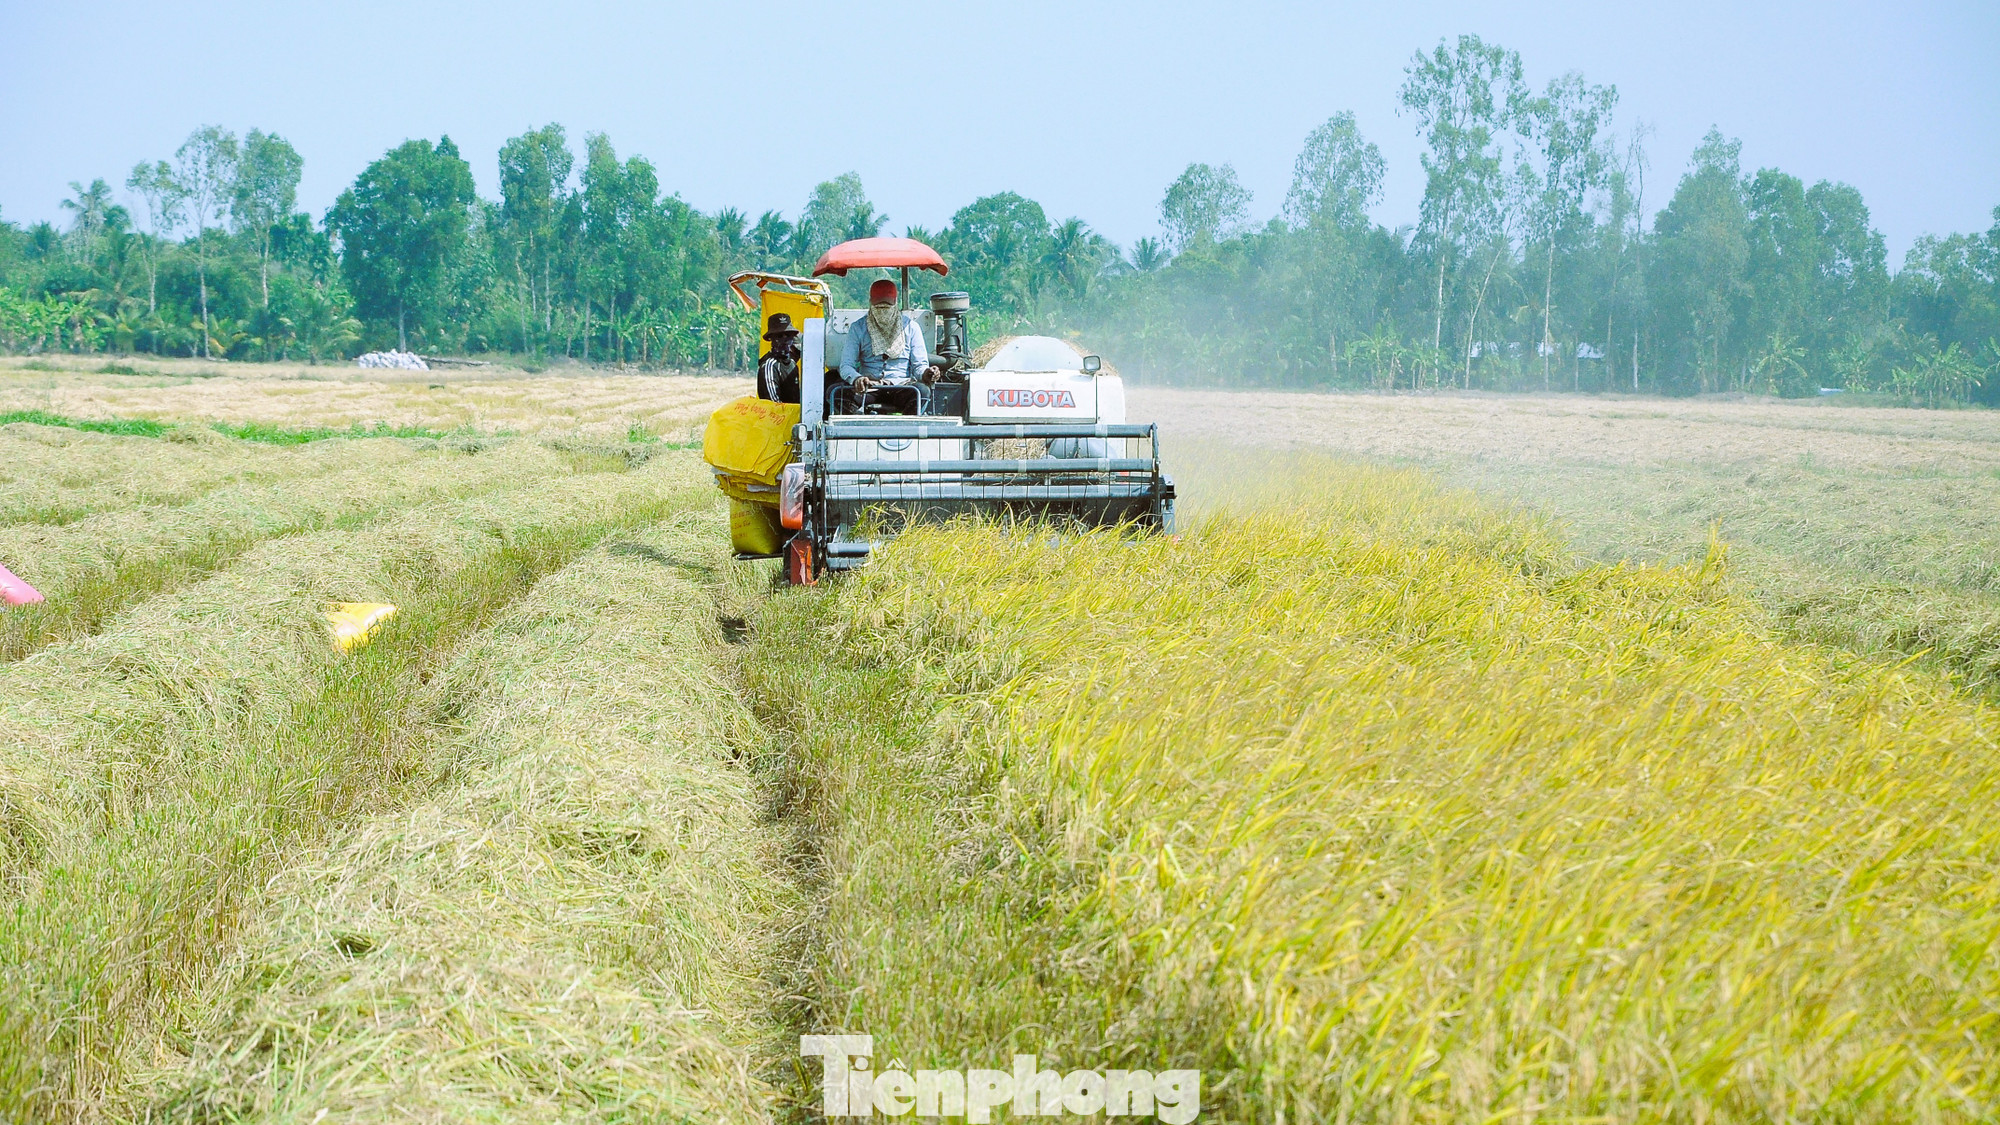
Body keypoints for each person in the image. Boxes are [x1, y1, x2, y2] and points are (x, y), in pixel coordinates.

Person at [839, 278, 929, 390]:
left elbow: (919, 366)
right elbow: (846, 365)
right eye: (878, 308)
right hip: (869, 387)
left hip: (902, 386)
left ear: (895, 303)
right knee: (838, 393)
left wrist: (927, 373)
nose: (883, 312)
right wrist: (857, 379)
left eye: (886, 307)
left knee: (923, 391)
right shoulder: (858, 328)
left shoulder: (911, 328)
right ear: (870, 303)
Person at [755, 312, 802, 403]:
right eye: (779, 336)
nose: (785, 340)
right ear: (771, 339)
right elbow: (773, 404)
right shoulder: (769, 366)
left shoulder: (792, 364)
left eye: (788, 335)